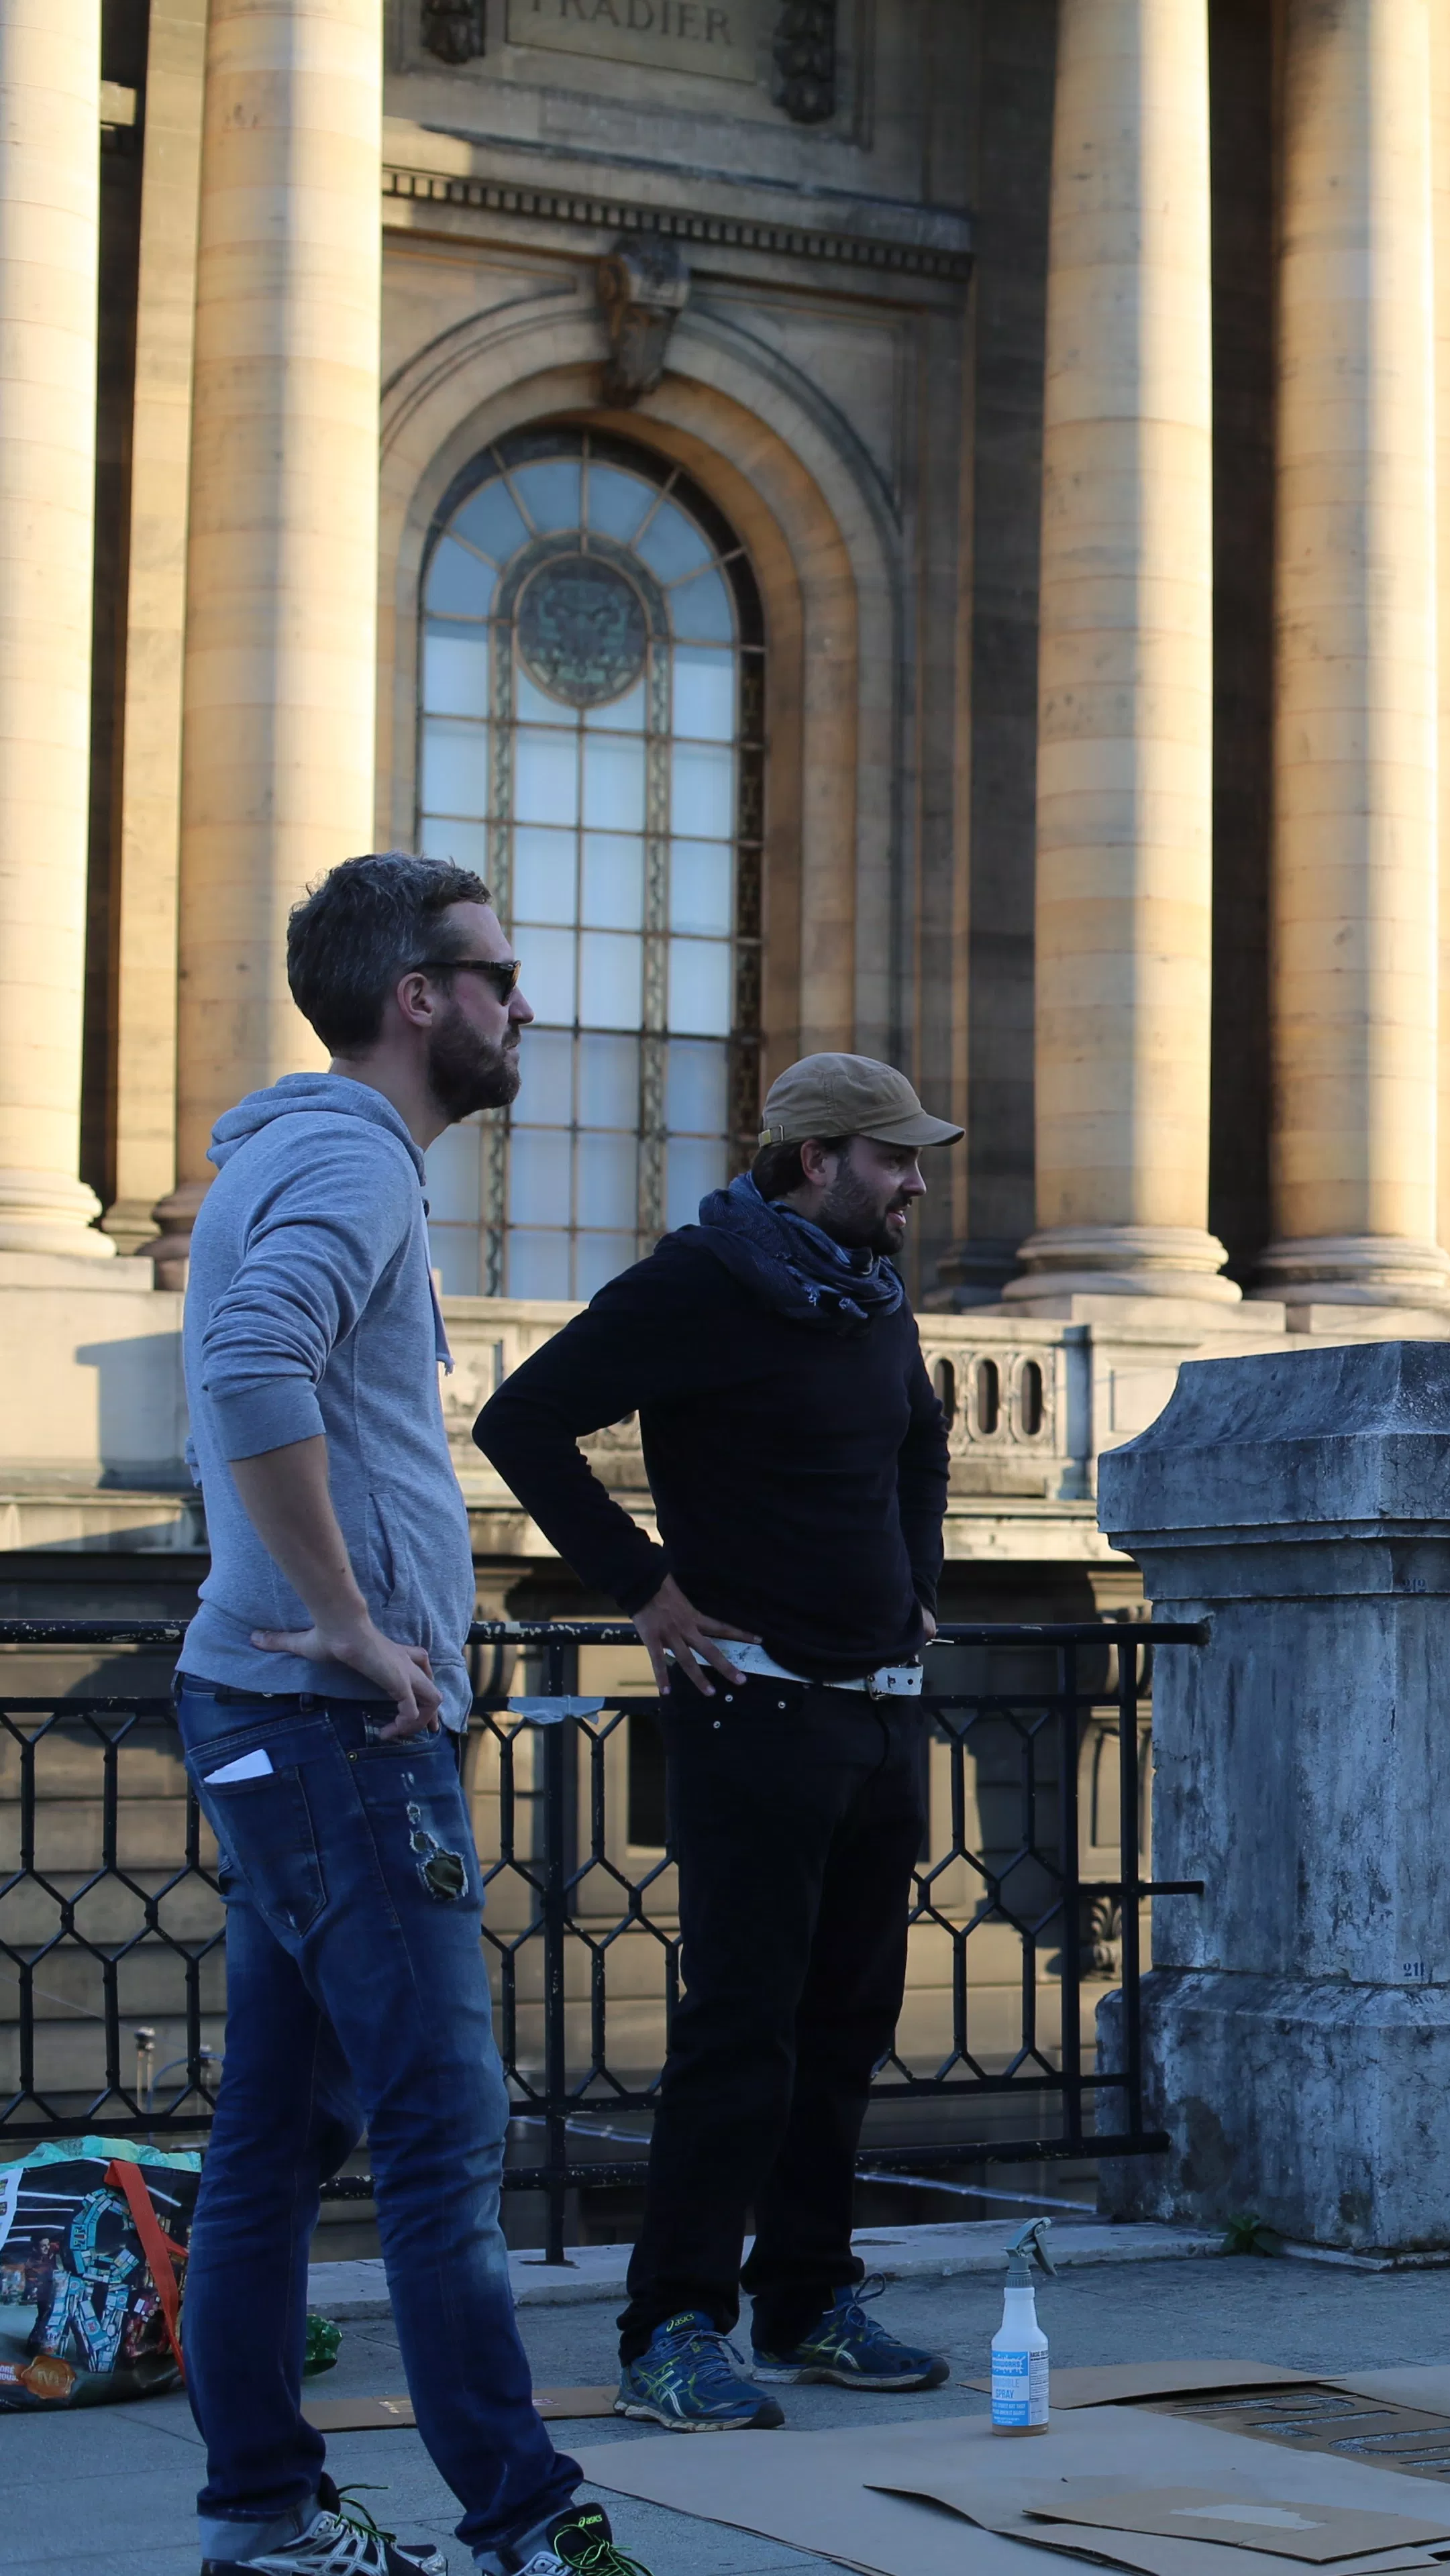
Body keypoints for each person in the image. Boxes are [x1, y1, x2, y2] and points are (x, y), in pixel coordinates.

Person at [174, 854, 652, 2576]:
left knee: (276, 2141)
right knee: (446, 2135)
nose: (528, 1004)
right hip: (331, 1727)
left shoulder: (305, 1152)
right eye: (498, 974)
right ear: (421, 998)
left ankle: (263, 2524)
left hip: (272, 1707)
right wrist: (351, 1628)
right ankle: (528, 2520)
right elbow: (250, 1364)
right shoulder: (353, 1159)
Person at [475, 1055, 960, 2434]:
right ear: (815, 1160)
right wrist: (641, 1585)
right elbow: (525, 1421)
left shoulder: (871, 1294)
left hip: (877, 1710)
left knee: (847, 2026)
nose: (917, 1182)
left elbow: (919, 1444)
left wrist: (919, 1590)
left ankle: (808, 2300)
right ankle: (672, 2329)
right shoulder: (700, 1282)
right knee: (740, 2033)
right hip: (754, 1710)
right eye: (894, 1159)